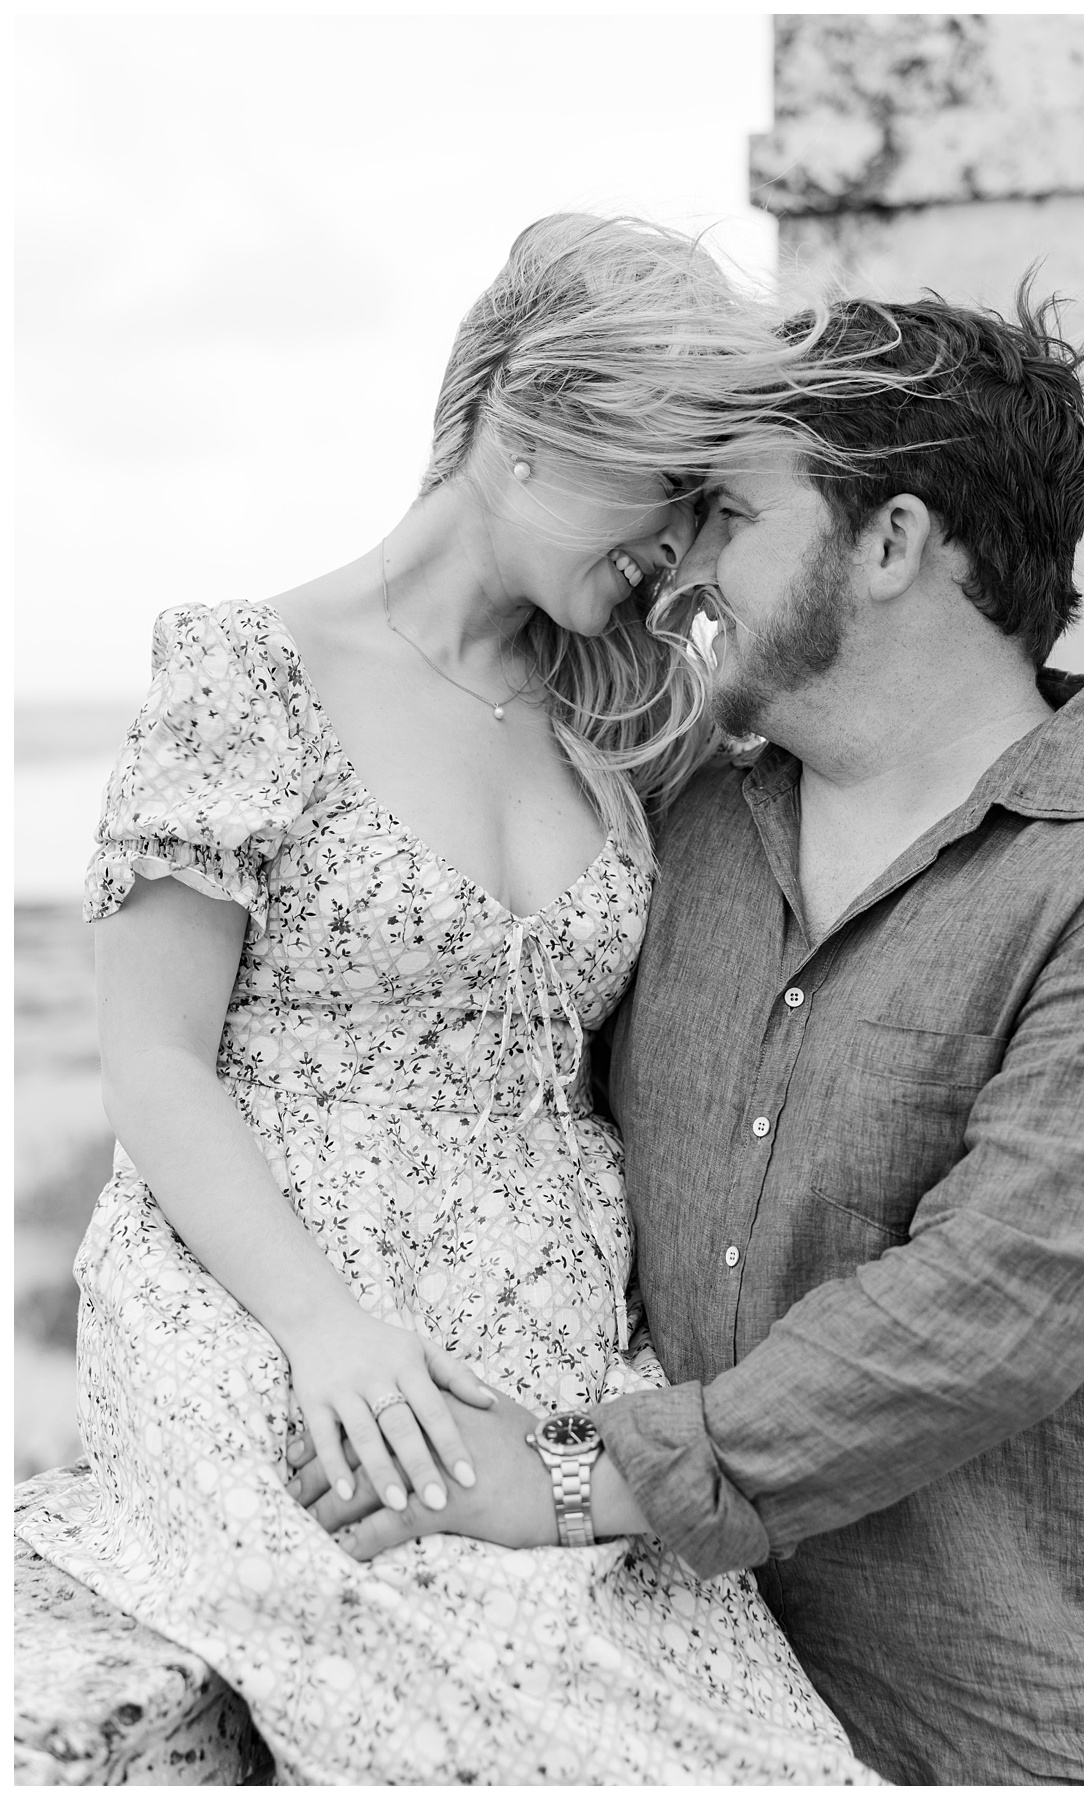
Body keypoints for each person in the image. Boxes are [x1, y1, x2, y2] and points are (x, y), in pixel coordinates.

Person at [17, 215, 891, 1784]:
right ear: (533, 424)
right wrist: (326, 1329)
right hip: (280, 1303)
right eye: (667, 489)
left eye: (710, 510)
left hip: (564, 1339)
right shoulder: (246, 674)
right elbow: (152, 1064)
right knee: (474, 1689)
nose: (681, 554)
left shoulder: (627, 714)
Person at [308, 288, 1084, 1785]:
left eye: (728, 516)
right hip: (664, 1693)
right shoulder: (670, 822)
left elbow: (996, 1300)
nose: (680, 569)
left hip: (1005, 1727)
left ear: (893, 542)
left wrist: (589, 1480)